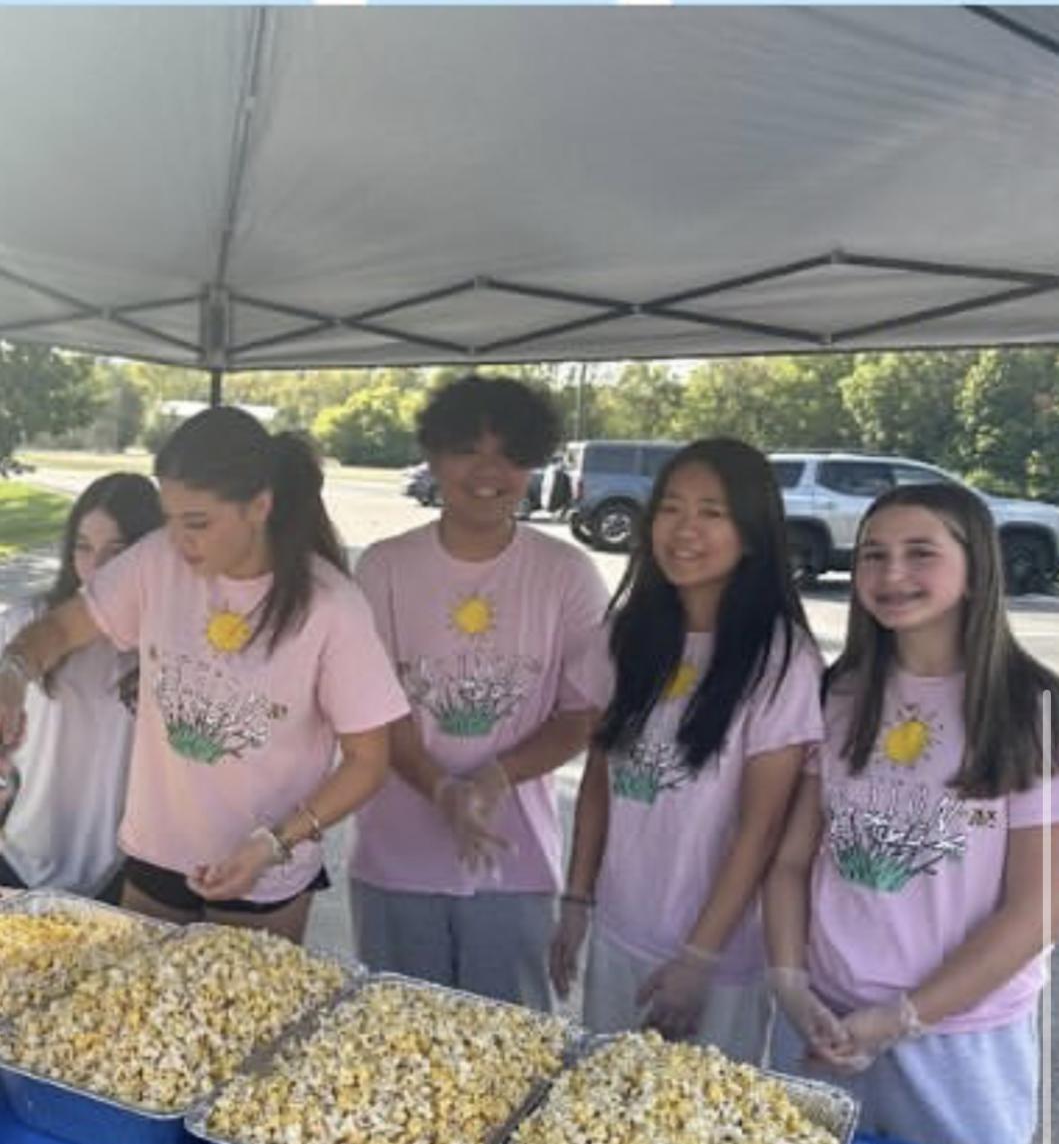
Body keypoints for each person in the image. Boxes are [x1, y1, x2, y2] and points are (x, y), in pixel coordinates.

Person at [0, 407, 408, 941]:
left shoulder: (330, 606)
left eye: (197, 524)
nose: (178, 540)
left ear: (259, 506)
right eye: (169, 518)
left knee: (243, 995)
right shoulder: (155, 562)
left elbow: (367, 761)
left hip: (265, 869)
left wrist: (274, 842)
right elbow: (57, 629)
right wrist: (13, 673)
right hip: (155, 855)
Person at [764, 483, 1058, 1144]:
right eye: (873, 554)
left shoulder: (1031, 707)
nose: (891, 573)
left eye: (920, 552)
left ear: (975, 568)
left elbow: (1038, 907)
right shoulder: (839, 692)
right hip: (823, 1022)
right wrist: (788, 981)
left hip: (958, 1042)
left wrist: (903, 1017)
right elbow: (791, 861)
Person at [550, 438, 823, 1063]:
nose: (684, 530)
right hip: (621, 931)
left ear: (751, 535)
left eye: (712, 513)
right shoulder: (626, 635)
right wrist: (577, 900)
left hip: (718, 961)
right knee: (608, 1099)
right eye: (670, 508)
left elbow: (762, 828)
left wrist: (699, 958)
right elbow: (599, 779)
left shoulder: (782, 659)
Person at [351, 374, 608, 1009]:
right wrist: (440, 788)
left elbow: (580, 713)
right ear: (434, 457)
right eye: (467, 450)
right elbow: (374, 710)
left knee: (508, 1046)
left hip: (514, 865)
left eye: (510, 454)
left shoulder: (567, 573)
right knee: (396, 1040)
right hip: (395, 860)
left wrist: (495, 777)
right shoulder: (384, 567)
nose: (488, 472)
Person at [0, 473, 163, 901]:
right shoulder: (25, 624)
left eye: (117, 552)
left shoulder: (161, 644)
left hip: (119, 870)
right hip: (17, 859)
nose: (95, 568)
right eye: (84, 547)